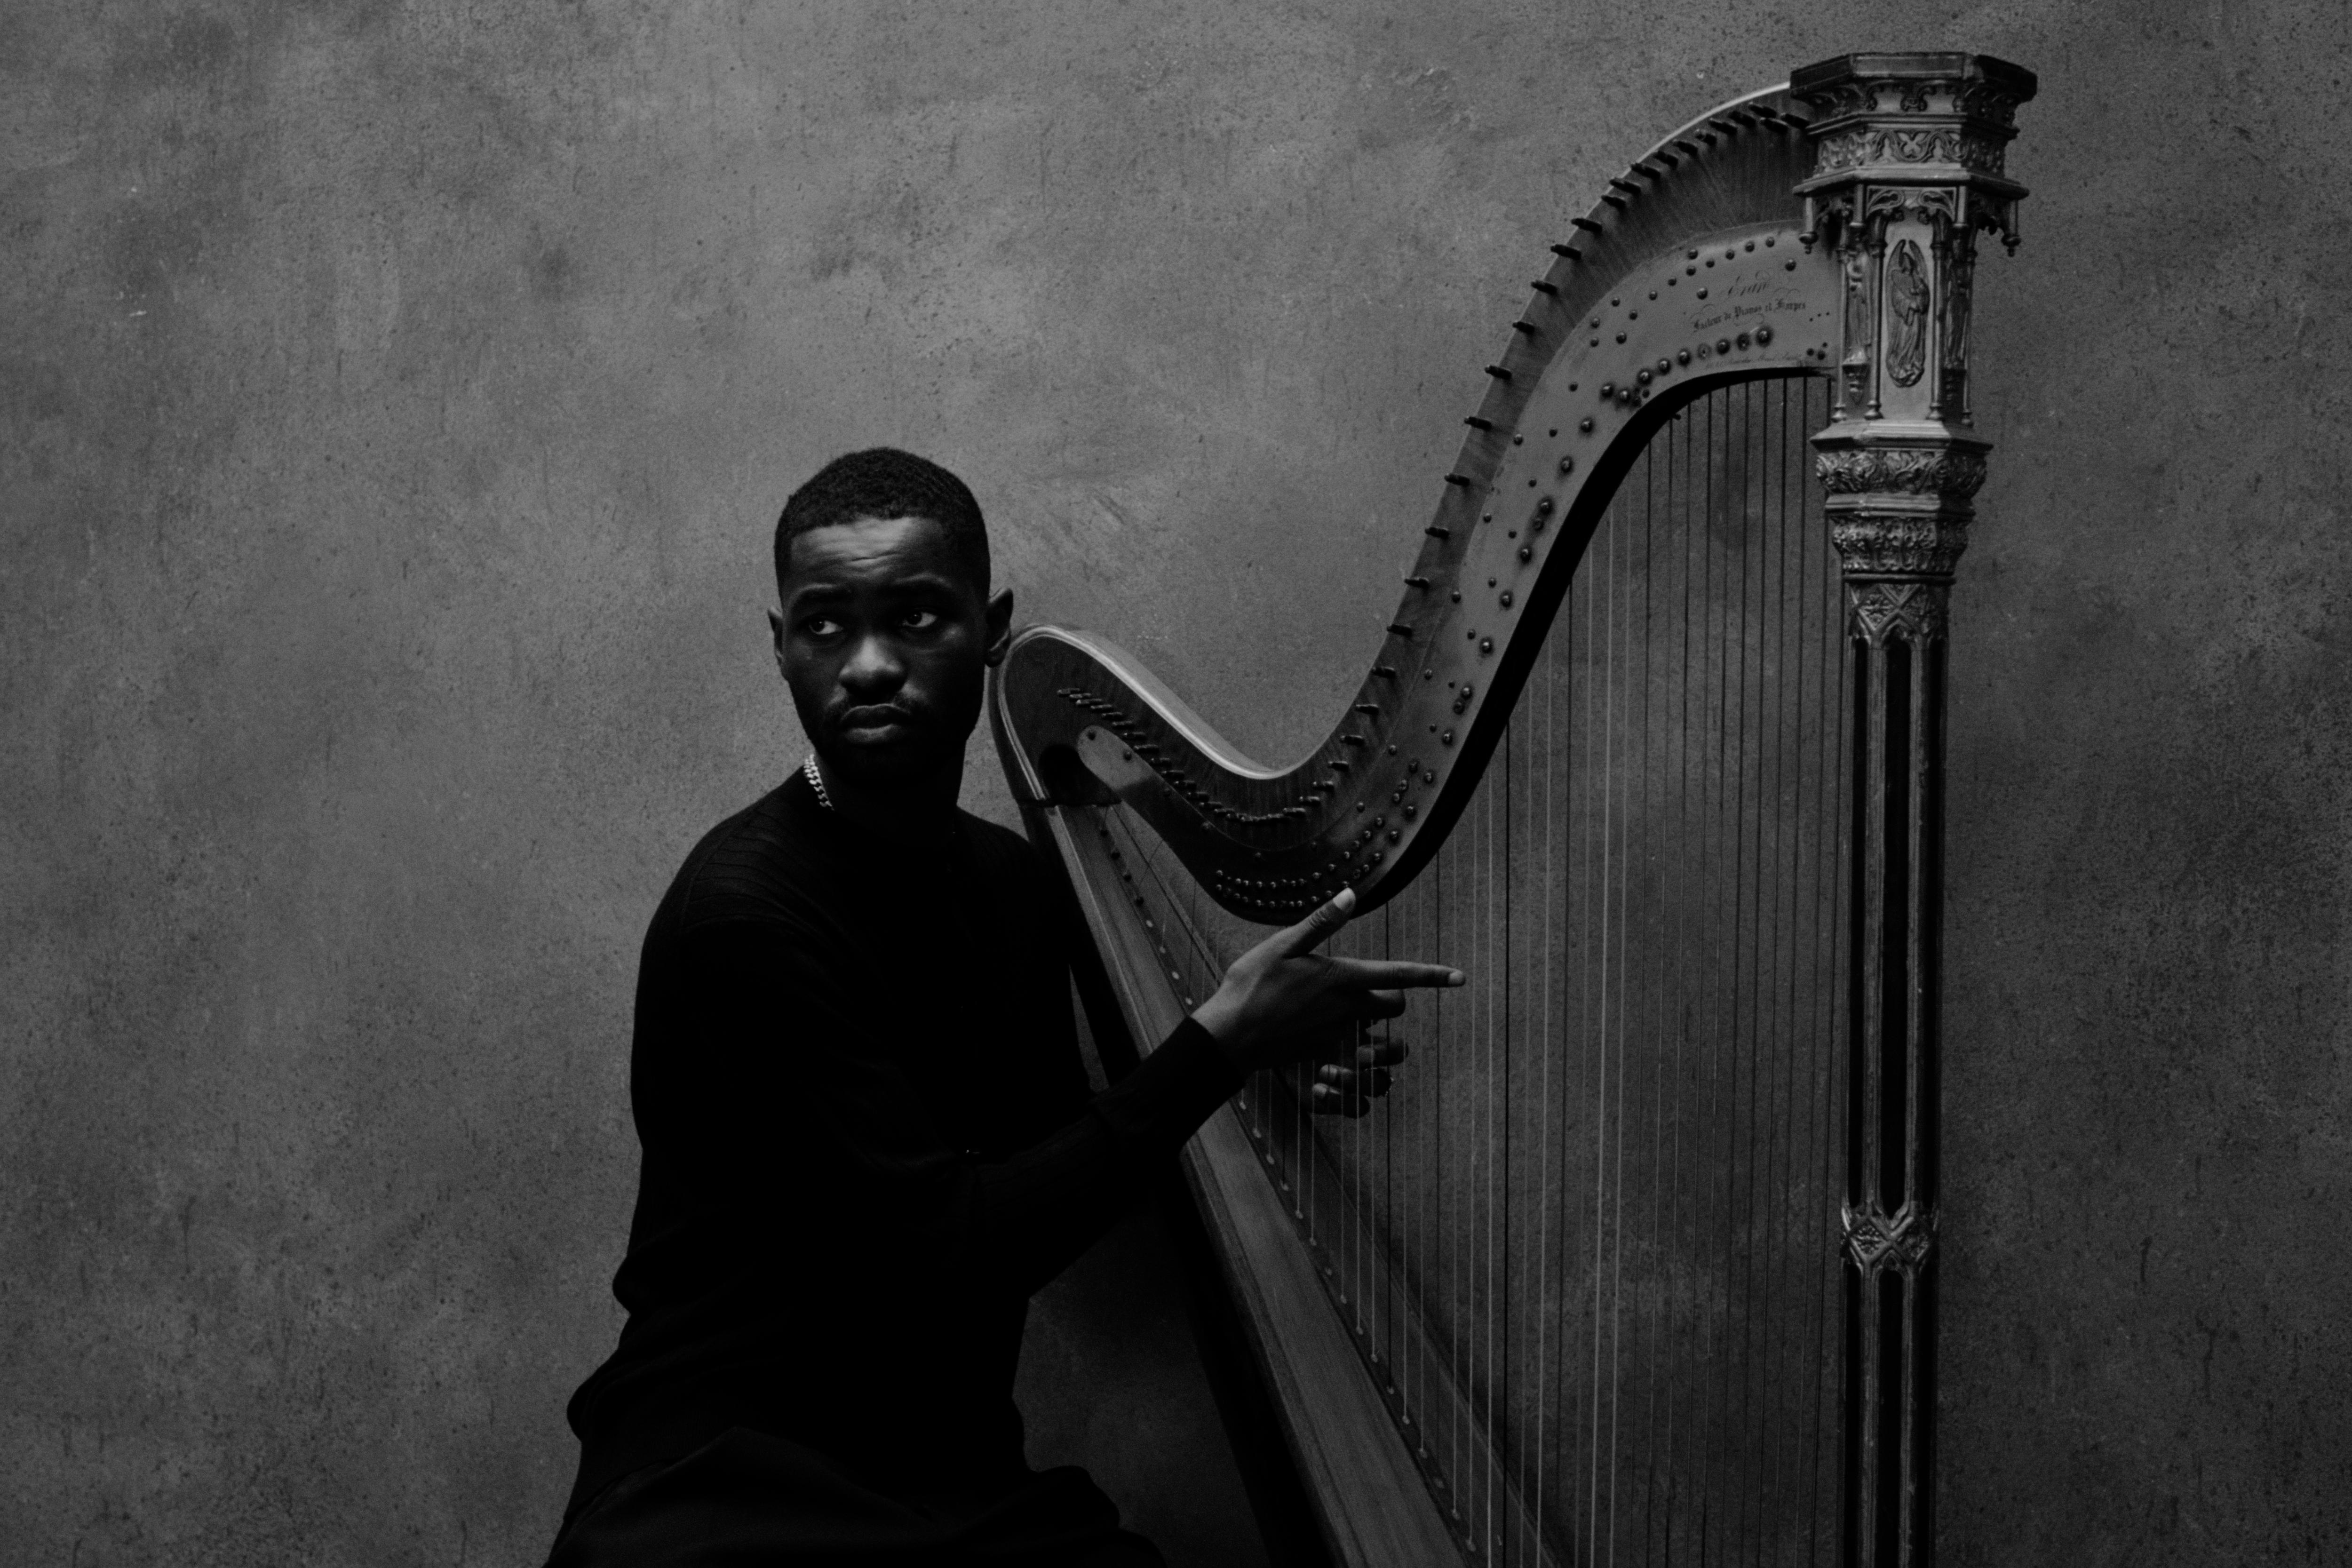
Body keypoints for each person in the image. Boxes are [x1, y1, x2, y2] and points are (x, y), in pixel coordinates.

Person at [546, 448, 1463, 1567]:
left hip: (946, 1475)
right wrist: (1216, 1047)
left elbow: (1047, 1164)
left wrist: (1253, 1069)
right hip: (730, 1486)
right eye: (825, 625)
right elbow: (953, 1244)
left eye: (918, 616)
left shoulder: (1013, 885)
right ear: (778, 643)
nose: (870, 663)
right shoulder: (741, 915)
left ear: (991, 628)